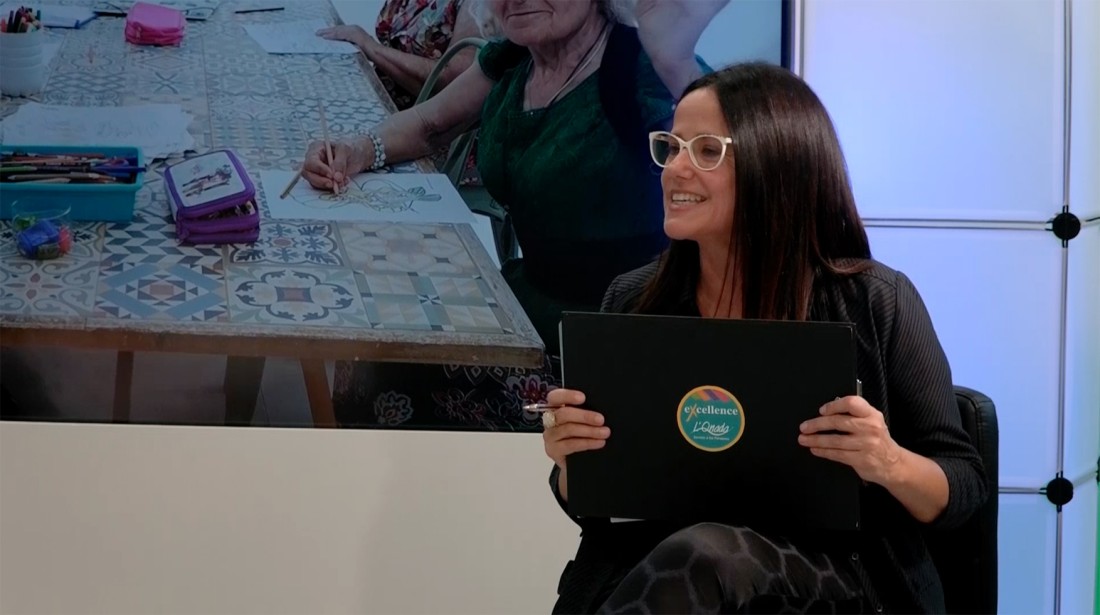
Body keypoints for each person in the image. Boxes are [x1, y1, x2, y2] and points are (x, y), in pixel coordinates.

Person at [538, 63, 989, 613]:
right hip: (660, 564)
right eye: (671, 147)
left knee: (704, 555)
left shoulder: (876, 299)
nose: (676, 168)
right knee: (688, 558)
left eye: (706, 151)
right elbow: (596, 509)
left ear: (776, 164)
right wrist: (573, 463)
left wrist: (886, 460)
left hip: (837, 575)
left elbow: (963, 489)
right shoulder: (633, 299)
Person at [302, 0, 724, 431]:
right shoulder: (513, 58)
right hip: (526, 302)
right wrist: (356, 150)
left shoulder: (645, 66)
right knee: (374, 345)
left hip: (611, 338)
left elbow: (736, 163)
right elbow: (430, 123)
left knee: (392, 373)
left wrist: (676, 65)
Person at [317, 0, 480, 111]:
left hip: (421, 125)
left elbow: (453, 81)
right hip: (380, 96)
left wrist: (370, 47)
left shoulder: (477, 5)